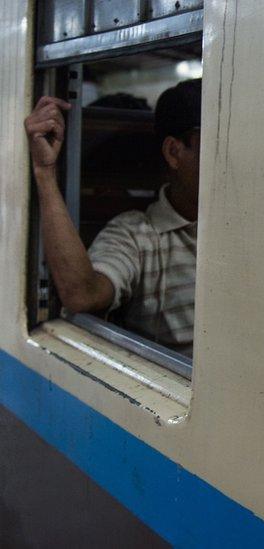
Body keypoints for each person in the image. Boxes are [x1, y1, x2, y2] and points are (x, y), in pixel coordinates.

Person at [23, 79, 201, 357]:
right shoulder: (137, 235)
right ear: (174, 152)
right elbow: (83, 294)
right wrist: (45, 173)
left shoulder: (254, 225)